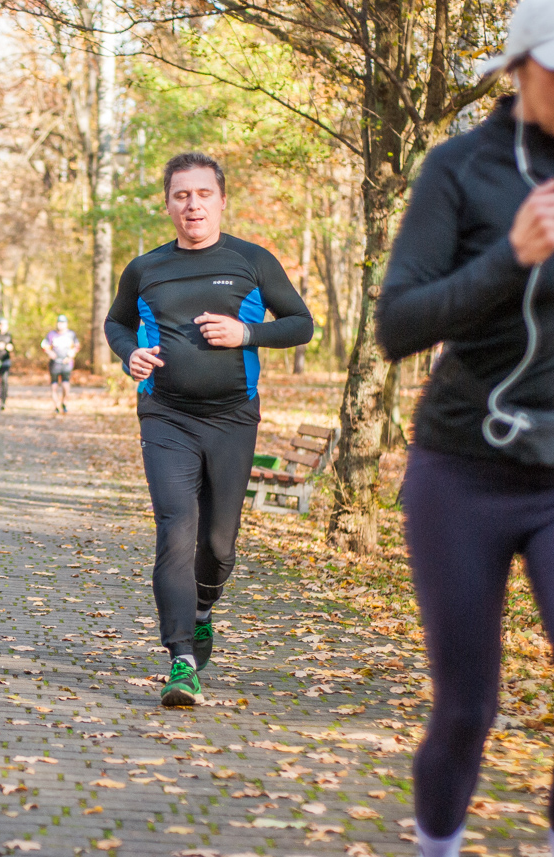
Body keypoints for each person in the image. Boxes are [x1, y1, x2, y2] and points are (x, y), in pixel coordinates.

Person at [376, 5, 554, 852]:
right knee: (467, 708)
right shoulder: (460, 170)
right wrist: (507, 258)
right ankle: (438, 841)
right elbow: (398, 323)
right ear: (520, 68)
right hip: (464, 471)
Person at [104, 152, 312, 708]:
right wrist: (131, 355)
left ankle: (200, 610)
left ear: (221, 200)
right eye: (181, 195)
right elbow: (116, 322)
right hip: (165, 414)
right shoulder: (146, 267)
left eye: (202, 194)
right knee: (176, 528)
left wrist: (246, 334)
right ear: (168, 203)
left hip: (233, 417)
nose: (192, 205)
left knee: (219, 545)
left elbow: (301, 324)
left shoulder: (251, 260)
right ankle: (180, 660)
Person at [41, 314, 80, 413]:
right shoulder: (51, 334)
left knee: (65, 384)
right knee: (54, 385)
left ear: (66, 324)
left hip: (67, 363)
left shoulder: (71, 334)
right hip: (55, 363)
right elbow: (44, 345)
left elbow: (77, 346)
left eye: (63, 323)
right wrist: (50, 353)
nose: (61, 325)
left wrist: (72, 354)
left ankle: (64, 402)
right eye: (59, 323)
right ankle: (56, 405)